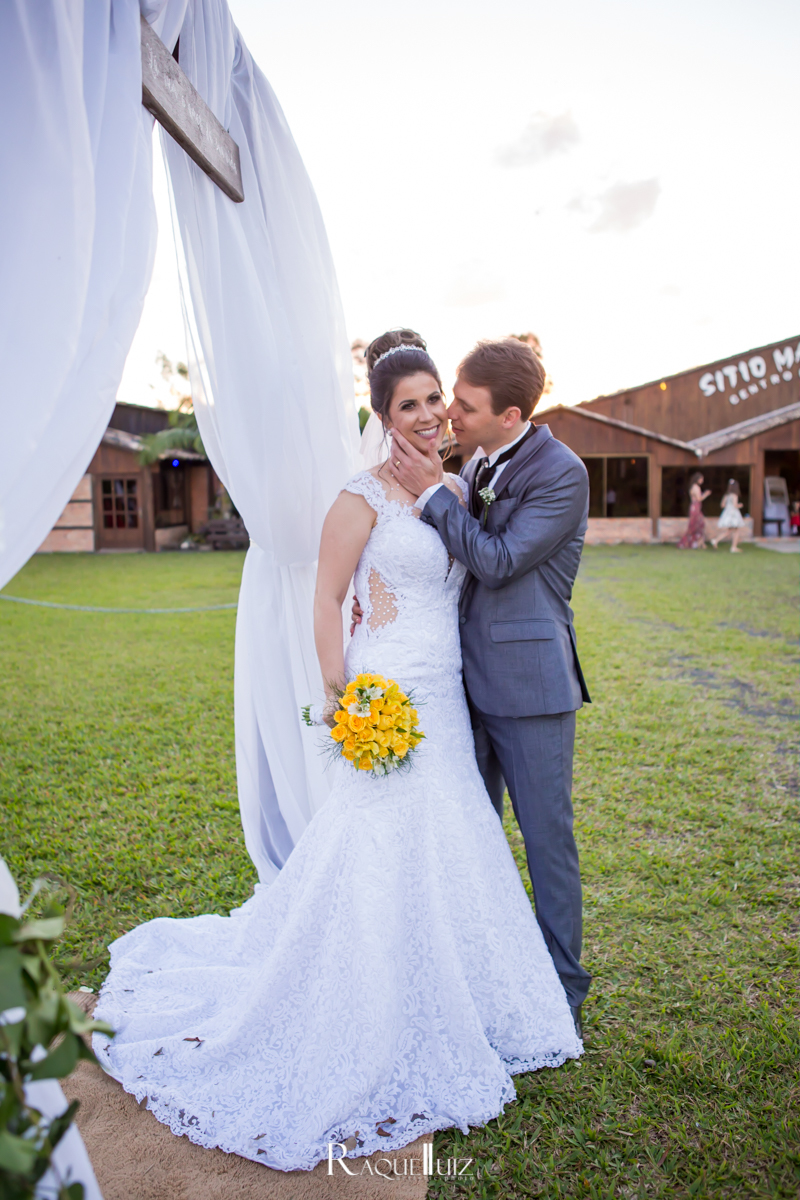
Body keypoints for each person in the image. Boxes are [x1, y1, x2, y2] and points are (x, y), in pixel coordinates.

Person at [92, 329, 581, 1174]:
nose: (429, 415)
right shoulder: (359, 498)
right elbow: (326, 598)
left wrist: (438, 496)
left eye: (438, 400)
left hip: (449, 690)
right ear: (382, 416)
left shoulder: (456, 488)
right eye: (410, 404)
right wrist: (340, 692)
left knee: (455, 838)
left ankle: (468, 986)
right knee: (375, 838)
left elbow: (485, 568)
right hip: (387, 686)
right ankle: (364, 993)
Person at [360, 336, 593, 1028]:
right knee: (474, 841)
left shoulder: (561, 472)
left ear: (510, 415)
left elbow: (496, 560)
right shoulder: (474, 462)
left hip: (529, 688)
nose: (449, 415)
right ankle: (483, 978)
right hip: (457, 685)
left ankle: (563, 990)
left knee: (546, 843)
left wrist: (435, 494)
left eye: (463, 405)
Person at [678, 471, 710, 549]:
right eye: (701, 479)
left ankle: (700, 543)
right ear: (697, 479)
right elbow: (699, 499)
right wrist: (706, 494)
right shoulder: (696, 487)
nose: (702, 480)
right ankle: (688, 543)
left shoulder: (693, 487)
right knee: (695, 525)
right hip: (695, 508)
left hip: (695, 508)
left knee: (700, 524)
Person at [711, 479, 744, 552]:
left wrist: (728, 506)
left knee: (730, 530)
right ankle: (733, 547)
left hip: (727, 513)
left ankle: (716, 540)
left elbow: (722, 505)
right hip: (733, 514)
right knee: (735, 530)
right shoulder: (734, 495)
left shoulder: (726, 495)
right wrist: (740, 505)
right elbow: (735, 505)